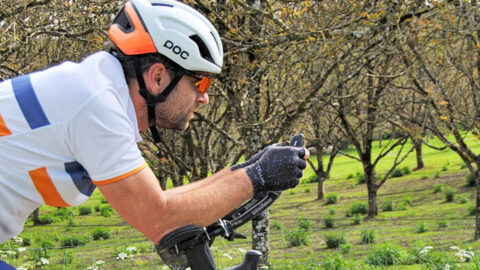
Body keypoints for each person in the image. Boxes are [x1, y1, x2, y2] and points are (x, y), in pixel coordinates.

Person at [0, 0, 309, 267]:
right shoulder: (94, 105)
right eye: (199, 83)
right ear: (158, 76)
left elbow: (157, 202)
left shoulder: (98, 94)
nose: (204, 98)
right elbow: (162, 220)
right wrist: (257, 176)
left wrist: (242, 172)